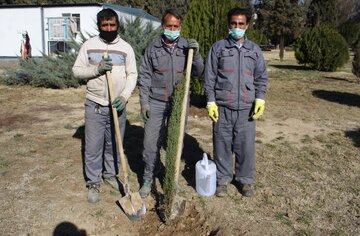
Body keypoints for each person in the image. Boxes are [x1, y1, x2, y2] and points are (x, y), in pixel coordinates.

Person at [72, 8, 138, 203]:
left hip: (117, 105)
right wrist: (97, 69)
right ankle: (93, 181)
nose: (109, 29)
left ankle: (110, 173)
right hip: (95, 105)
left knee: (115, 143)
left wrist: (125, 97)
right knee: (93, 146)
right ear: (99, 26)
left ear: (118, 25)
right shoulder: (89, 45)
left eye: (112, 25)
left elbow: (132, 75)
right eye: (105, 25)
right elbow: (77, 71)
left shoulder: (126, 48)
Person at [138, 8, 204, 198]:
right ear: (163, 26)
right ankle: (149, 177)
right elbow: (144, 76)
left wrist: (197, 53)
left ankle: (172, 178)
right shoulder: (153, 48)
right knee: (150, 144)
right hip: (156, 101)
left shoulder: (187, 47)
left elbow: (199, 72)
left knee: (175, 142)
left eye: (176, 26)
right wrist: (144, 103)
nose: (172, 29)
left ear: (180, 27)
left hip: (179, 103)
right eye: (169, 26)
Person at [204, 7, 268, 198]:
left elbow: (261, 77)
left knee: (245, 147)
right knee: (222, 145)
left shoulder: (254, 50)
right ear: (228, 24)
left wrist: (260, 99)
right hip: (223, 107)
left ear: (247, 25)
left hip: (246, 109)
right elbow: (210, 78)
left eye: (241, 24)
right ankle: (222, 180)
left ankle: (244, 180)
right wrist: (211, 102)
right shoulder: (218, 48)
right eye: (233, 23)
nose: (237, 27)